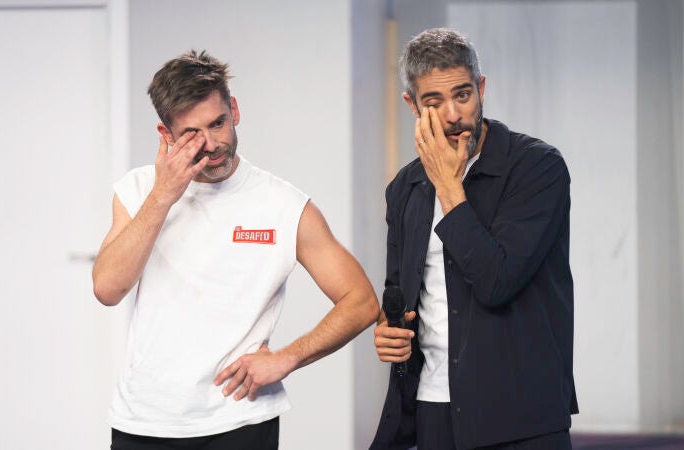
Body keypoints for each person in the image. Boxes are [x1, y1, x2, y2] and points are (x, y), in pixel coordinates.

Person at [92, 50, 379, 450]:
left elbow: (361, 301)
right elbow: (107, 289)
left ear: (234, 110)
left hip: (239, 419)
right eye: (192, 133)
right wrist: (163, 196)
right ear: (166, 134)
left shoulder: (284, 204)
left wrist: (288, 357)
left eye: (218, 123)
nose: (212, 144)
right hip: (144, 420)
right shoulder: (138, 190)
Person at [371, 28, 577, 450]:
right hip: (433, 409)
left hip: (522, 416)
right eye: (434, 102)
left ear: (481, 89)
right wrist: (388, 331)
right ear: (412, 105)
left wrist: (449, 185)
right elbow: (401, 295)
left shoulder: (537, 168)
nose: (452, 114)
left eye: (462, 95)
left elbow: (497, 281)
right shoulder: (405, 188)